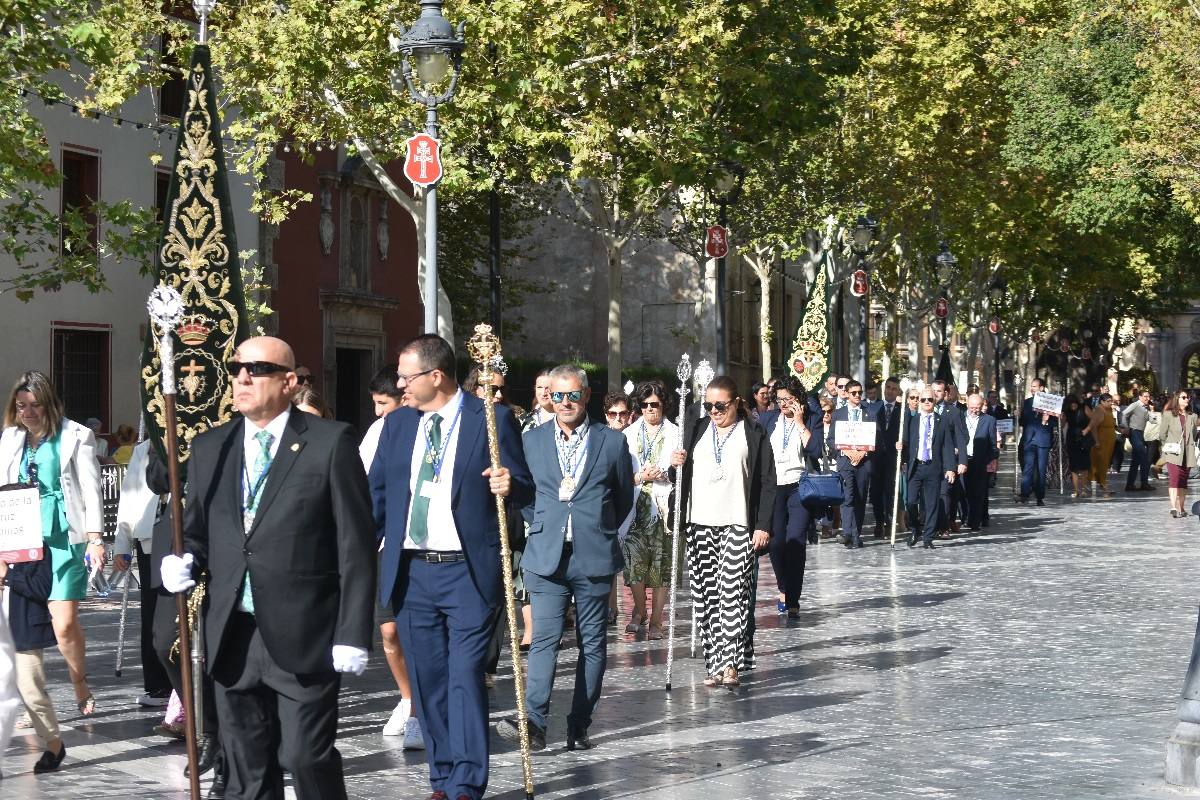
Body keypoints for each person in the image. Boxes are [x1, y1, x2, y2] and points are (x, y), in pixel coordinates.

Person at [160, 336, 377, 800]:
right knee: (245, 770)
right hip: (232, 632)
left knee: (304, 757)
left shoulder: (329, 442)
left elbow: (354, 546)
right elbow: (196, 530)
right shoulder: (210, 448)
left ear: (289, 381)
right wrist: (182, 561)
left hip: (305, 631)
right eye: (237, 367)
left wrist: (353, 631)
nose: (242, 377)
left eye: (256, 369)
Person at [370, 334, 532, 800]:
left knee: (464, 677)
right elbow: (376, 496)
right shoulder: (399, 427)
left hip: (467, 572)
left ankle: (466, 782)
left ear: (434, 376)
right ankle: (441, 777)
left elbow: (523, 485)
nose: (401, 386)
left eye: (406, 377)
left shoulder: (491, 419)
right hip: (412, 571)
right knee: (427, 681)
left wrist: (508, 483)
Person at [497, 364, 633, 751]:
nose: (565, 402)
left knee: (592, 643)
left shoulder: (611, 442)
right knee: (543, 639)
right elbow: (525, 497)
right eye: (558, 395)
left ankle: (579, 723)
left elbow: (623, 498)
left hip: (592, 556)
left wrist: (596, 527)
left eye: (573, 394)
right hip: (546, 557)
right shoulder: (533, 441)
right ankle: (535, 724)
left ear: (587, 396)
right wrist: (544, 525)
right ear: (549, 398)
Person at [0, 370, 104, 718]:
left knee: (64, 623)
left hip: (65, 538)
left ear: (50, 404)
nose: (28, 413)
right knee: (25, 624)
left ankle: (80, 683)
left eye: (35, 406)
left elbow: (91, 488)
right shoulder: (10, 438)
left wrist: (96, 538)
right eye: (21, 406)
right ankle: (35, 702)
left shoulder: (76, 435)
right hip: (22, 540)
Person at [670, 376, 774, 688]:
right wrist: (676, 463)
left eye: (721, 405)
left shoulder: (753, 432)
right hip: (699, 521)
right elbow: (681, 473)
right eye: (709, 405)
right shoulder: (696, 430)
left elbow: (768, 481)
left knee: (733, 594)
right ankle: (714, 664)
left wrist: (763, 525)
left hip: (738, 523)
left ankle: (731, 664)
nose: (714, 411)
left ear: (737, 402)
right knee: (707, 598)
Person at [358, 366, 423, 747]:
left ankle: (422, 708)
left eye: (384, 404)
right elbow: (368, 486)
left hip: (421, 545)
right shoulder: (377, 433)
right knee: (389, 629)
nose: (379, 412)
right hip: (385, 546)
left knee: (417, 629)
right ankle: (408, 697)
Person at [111, 439, 173, 708]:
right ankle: (158, 684)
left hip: (184, 531)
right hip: (150, 535)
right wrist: (122, 544)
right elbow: (131, 495)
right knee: (152, 611)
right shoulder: (144, 448)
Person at [620, 381, 677, 639]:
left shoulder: (677, 433)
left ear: (663, 404)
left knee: (661, 564)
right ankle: (640, 611)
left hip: (663, 508)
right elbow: (621, 476)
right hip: (635, 507)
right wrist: (639, 476)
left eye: (654, 404)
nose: (650, 409)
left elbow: (683, 473)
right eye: (644, 405)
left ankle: (656, 620)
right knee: (633, 564)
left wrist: (665, 472)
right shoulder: (628, 434)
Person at [757, 378, 817, 618]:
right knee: (776, 542)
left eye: (788, 399)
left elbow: (814, 450)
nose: (783, 404)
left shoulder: (810, 417)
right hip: (773, 487)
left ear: (798, 399)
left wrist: (801, 422)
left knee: (796, 541)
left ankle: (793, 597)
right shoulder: (768, 420)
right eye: (780, 399)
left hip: (799, 487)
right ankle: (783, 586)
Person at [3, 547, 64, 772]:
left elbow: (41, 588)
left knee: (32, 693)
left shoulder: (36, 548)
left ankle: (54, 745)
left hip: (23, 631)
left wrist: (8, 575)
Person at [902, 390, 963, 548]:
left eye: (930, 399)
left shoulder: (942, 421)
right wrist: (901, 448)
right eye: (923, 400)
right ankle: (915, 529)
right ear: (919, 402)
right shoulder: (912, 420)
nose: (927, 402)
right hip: (916, 466)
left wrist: (950, 468)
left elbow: (947, 446)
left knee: (932, 504)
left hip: (933, 466)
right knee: (910, 501)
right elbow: (906, 441)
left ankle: (928, 536)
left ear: (934, 401)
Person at [826, 379, 876, 548]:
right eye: (853, 393)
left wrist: (862, 452)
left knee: (860, 498)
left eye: (859, 393)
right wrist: (847, 451)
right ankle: (848, 532)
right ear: (846, 394)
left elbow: (875, 438)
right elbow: (831, 439)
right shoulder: (838, 414)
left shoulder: (869, 412)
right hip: (845, 462)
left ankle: (856, 535)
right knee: (848, 497)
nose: (857, 396)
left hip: (864, 462)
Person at [869, 377, 902, 539]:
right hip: (875, 458)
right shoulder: (873, 408)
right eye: (888, 387)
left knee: (890, 492)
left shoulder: (903, 411)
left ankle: (890, 524)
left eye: (894, 388)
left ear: (898, 392)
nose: (890, 391)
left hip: (893, 458)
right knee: (875, 493)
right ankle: (879, 521)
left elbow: (907, 434)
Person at [1158, 389, 1198, 518]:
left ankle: (1181, 507)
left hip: (1188, 453)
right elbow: (1162, 434)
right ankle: (1173, 507)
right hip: (1173, 453)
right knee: (1174, 479)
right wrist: (1168, 446)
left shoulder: (1193, 416)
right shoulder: (1169, 415)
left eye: (1188, 397)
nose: (1187, 399)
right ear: (1177, 400)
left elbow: (1193, 434)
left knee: (1183, 481)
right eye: (1184, 397)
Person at [1019, 377, 1057, 506]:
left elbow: (1055, 423)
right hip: (1029, 440)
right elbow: (1022, 422)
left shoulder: (1050, 401)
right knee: (1028, 468)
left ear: (1041, 388)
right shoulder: (1027, 402)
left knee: (1041, 469)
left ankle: (1040, 497)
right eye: (1031, 386)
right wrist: (1018, 414)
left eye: (1035, 386)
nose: (1032, 388)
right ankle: (1024, 493)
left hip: (1043, 440)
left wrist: (1046, 421)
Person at [962, 394, 999, 530]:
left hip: (980, 462)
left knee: (978, 493)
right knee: (965, 492)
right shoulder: (960, 417)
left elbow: (993, 445)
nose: (974, 410)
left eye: (977, 408)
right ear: (967, 405)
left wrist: (988, 459)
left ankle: (974, 522)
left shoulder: (989, 420)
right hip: (963, 460)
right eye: (972, 407)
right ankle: (965, 516)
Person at [1122, 389, 1154, 491]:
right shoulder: (1135, 405)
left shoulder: (1145, 408)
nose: (1147, 398)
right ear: (1140, 397)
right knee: (1144, 458)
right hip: (1134, 432)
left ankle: (1129, 485)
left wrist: (1152, 410)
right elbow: (1124, 413)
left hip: (1140, 433)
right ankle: (1144, 483)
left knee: (1135, 461)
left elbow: (1153, 420)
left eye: (1148, 396)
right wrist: (1126, 427)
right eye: (1145, 396)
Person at [1063, 395, 1095, 498]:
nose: (1073, 405)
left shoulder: (1084, 408)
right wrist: (1060, 417)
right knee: (1074, 466)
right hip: (1072, 438)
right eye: (1070, 404)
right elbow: (1062, 425)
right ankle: (1076, 490)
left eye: (1074, 403)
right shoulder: (1066, 411)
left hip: (1084, 438)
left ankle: (1084, 489)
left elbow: (1094, 419)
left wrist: (1087, 429)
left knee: (1084, 465)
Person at [1088, 393, 1117, 497]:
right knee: (1101, 464)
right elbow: (1094, 427)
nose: (1111, 403)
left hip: (1109, 441)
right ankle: (1101, 485)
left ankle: (1102, 483)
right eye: (1108, 401)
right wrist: (1096, 441)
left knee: (1105, 463)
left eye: (1111, 401)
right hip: (1101, 441)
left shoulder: (1109, 410)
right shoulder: (1099, 410)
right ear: (1102, 402)